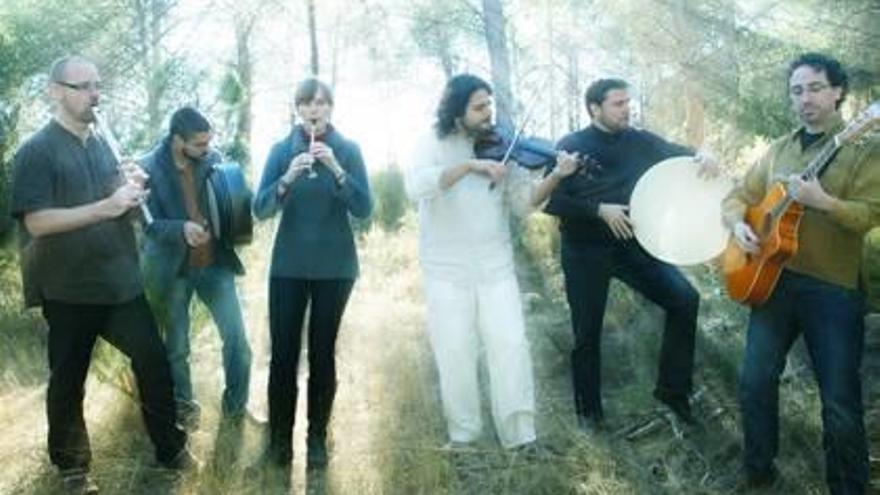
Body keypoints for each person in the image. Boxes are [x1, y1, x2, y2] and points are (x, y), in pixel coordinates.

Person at [10, 55, 195, 494]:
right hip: (68, 287)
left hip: (121, 284)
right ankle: (73, 469)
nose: (95, 94)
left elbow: (121, 213)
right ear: (55, 91)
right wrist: (105, 206)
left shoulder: (105, 145)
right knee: (68, 379)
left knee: (154, 361)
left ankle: (170, 449)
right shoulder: (36, 151)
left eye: (98, 85)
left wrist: (130, 195)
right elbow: (37, 222)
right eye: (83, 86)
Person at [723, 52, 879, 493]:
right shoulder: (779, 149)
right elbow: (738, 195)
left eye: (814, 88)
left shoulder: (864, 148)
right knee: (754, 381)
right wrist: (738, 224)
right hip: (771, 281)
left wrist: (824, 202)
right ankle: (759, 473)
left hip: (833, 289)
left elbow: (870, 214)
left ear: (838, 92)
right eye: (797, 91)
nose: (805, 99)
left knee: (839, 403)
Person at [404, 74, 577, 451]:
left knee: (511, 345)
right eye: (479, 107)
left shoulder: (501, 146)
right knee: (455, 351)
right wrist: (469, 167)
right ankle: (464, 435)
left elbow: (522, 203)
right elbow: (416, 186)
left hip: (495, 264)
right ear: (457, 109)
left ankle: (520, 437)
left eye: (489, 107)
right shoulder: (431, 142)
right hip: (446, 268)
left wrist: (557, 177)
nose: (488, 114)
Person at [546, 78, 714, 432]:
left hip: (631, 245)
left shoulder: (639, 140)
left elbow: (679, 153)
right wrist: (598, 209)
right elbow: (552, 201)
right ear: (595, 108)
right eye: (618, 104)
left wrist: (702, 155)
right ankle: (588, 413)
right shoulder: (571, 145)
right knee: (586, 332)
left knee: (685, 300)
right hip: (584, 250)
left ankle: (672, 391)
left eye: (628, 102)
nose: (627, 109)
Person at [252, 78, 371, 472]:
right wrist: (287, 177)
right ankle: (278, 444)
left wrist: (336, 169)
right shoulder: (280, 150)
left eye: (321, 103)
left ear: (330, 108)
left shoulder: (349, 150)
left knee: (322, 355)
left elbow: (364, 208)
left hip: (335, 269)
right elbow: (261, 209)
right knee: (283, 356)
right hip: (288, 268)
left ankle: (316, 439)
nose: (314, 109)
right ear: (298, 109)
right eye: (307, 103)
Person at [139, 106, 252, 431]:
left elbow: (234, 200)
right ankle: (186, 416)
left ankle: (235, 411)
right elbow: (148, 226)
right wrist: (181, 229)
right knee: (177, 349)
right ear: (178, 140)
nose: (208, 149)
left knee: (237, 342)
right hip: (173, 272)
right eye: (200, 144)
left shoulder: (213, 160)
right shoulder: (147, 168)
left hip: (215, 267)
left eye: (208, 142)